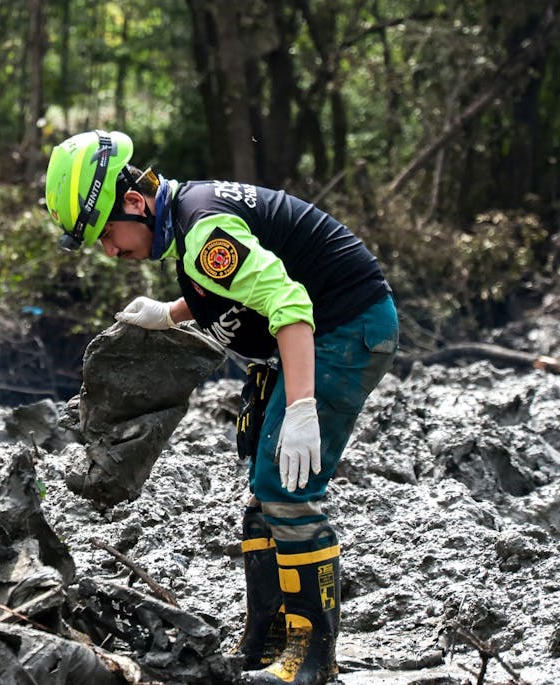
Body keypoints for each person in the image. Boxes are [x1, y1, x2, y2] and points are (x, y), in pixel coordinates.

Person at [43, 130, 397, 685]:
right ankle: (265, 642)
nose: (111, 252)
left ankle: (312, 661)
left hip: (342, 331)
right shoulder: (190, 218)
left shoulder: (204, 229)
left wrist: (302, 407)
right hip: (304, 337)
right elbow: (234, 287)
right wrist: (169, 313)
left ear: (134, 202)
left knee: (287, 489)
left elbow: (288, 303)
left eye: (109, 235)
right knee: (263, 489)